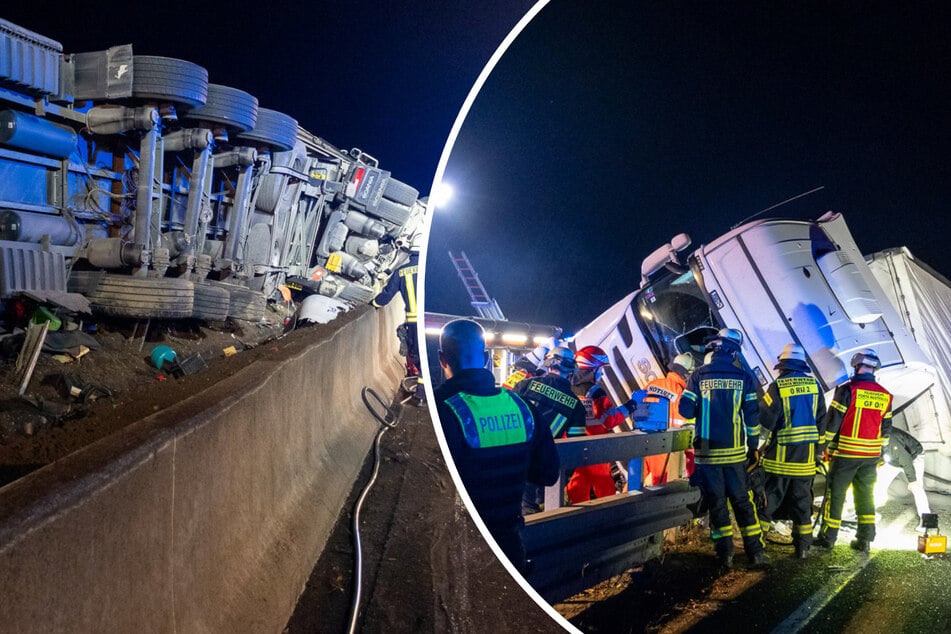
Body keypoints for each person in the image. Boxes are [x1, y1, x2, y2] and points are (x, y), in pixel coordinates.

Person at [434, 319, 560, 572]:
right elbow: (548, 473)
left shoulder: (439, 409)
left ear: (442, 359)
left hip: (455, 549)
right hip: (509, 548)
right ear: (484, 357)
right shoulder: (521, 407)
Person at [678, 328, 768, 570]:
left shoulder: (697, 376)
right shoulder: (744, 378)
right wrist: (753, 447)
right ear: (734, 351)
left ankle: (725, 555)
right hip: (736, 453)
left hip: (707, 453)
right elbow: (751, 418)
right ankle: (755, 553)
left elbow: (685, 411)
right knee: (742, 501)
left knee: (717, 503)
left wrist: (702, 406)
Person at [815, 348, 893, 553]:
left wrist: (820, 448)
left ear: (856, 365)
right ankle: (865, 539)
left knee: (836, 494)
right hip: (870, 457)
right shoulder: (885, 395)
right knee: (866, 496)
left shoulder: (848, 390)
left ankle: (828, 538)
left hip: (846, 454)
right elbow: (886, 430)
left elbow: (832, 423)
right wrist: (880, 453)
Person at [756, 343, 826, 559]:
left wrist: (756, 449)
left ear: (783, 365)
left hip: (779, 460)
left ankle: (758, 546)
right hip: (805, 462)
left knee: (769, 502)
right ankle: (803, 548)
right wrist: (818, 450)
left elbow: (765, 421)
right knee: (802, 505)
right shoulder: (815, 386)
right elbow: (821, 421)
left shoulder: (778, 386)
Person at [511, 346, 587, 513]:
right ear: (571, 371)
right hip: (540, 471)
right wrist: (561, 479)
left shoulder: (525, 385)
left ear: (547, 363)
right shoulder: (576, 406)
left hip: (511, 463)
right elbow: (575, 446)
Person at [565, 345, 637, 503]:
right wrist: (631, 405)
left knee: (578, 483)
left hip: (574, 444)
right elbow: (609, 419)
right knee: (603, 484)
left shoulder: (568, 387)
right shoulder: (596, 391)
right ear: (592, 369)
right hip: (596, 445)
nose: (602, 373)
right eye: (600, 369)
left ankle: (575, 517)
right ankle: (606, 515)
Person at [372, 245, 421, 401]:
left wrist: (374, 304)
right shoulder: (433, 269)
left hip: (413, 324)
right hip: (431, 322)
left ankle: (421, 395)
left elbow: (386, 295)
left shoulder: (401, 271)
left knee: (417, 357)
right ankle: (424, 393)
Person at [642, 352, 695, 485]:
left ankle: (619, 504)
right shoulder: (681, 394)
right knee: (659, 486)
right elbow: (685, 427)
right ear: (686, 375)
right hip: (663, 447)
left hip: (643, 441)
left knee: (635, 481)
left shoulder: (652, 385)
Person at [874, 426, 930, 523]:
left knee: (917, 488)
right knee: (878, 484)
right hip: (894, 460)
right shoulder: (873, 435)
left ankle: (927, 521)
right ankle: (870, 515)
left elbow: (906, 461)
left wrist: (912, 480)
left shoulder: (891, 439)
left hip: (913, 457)